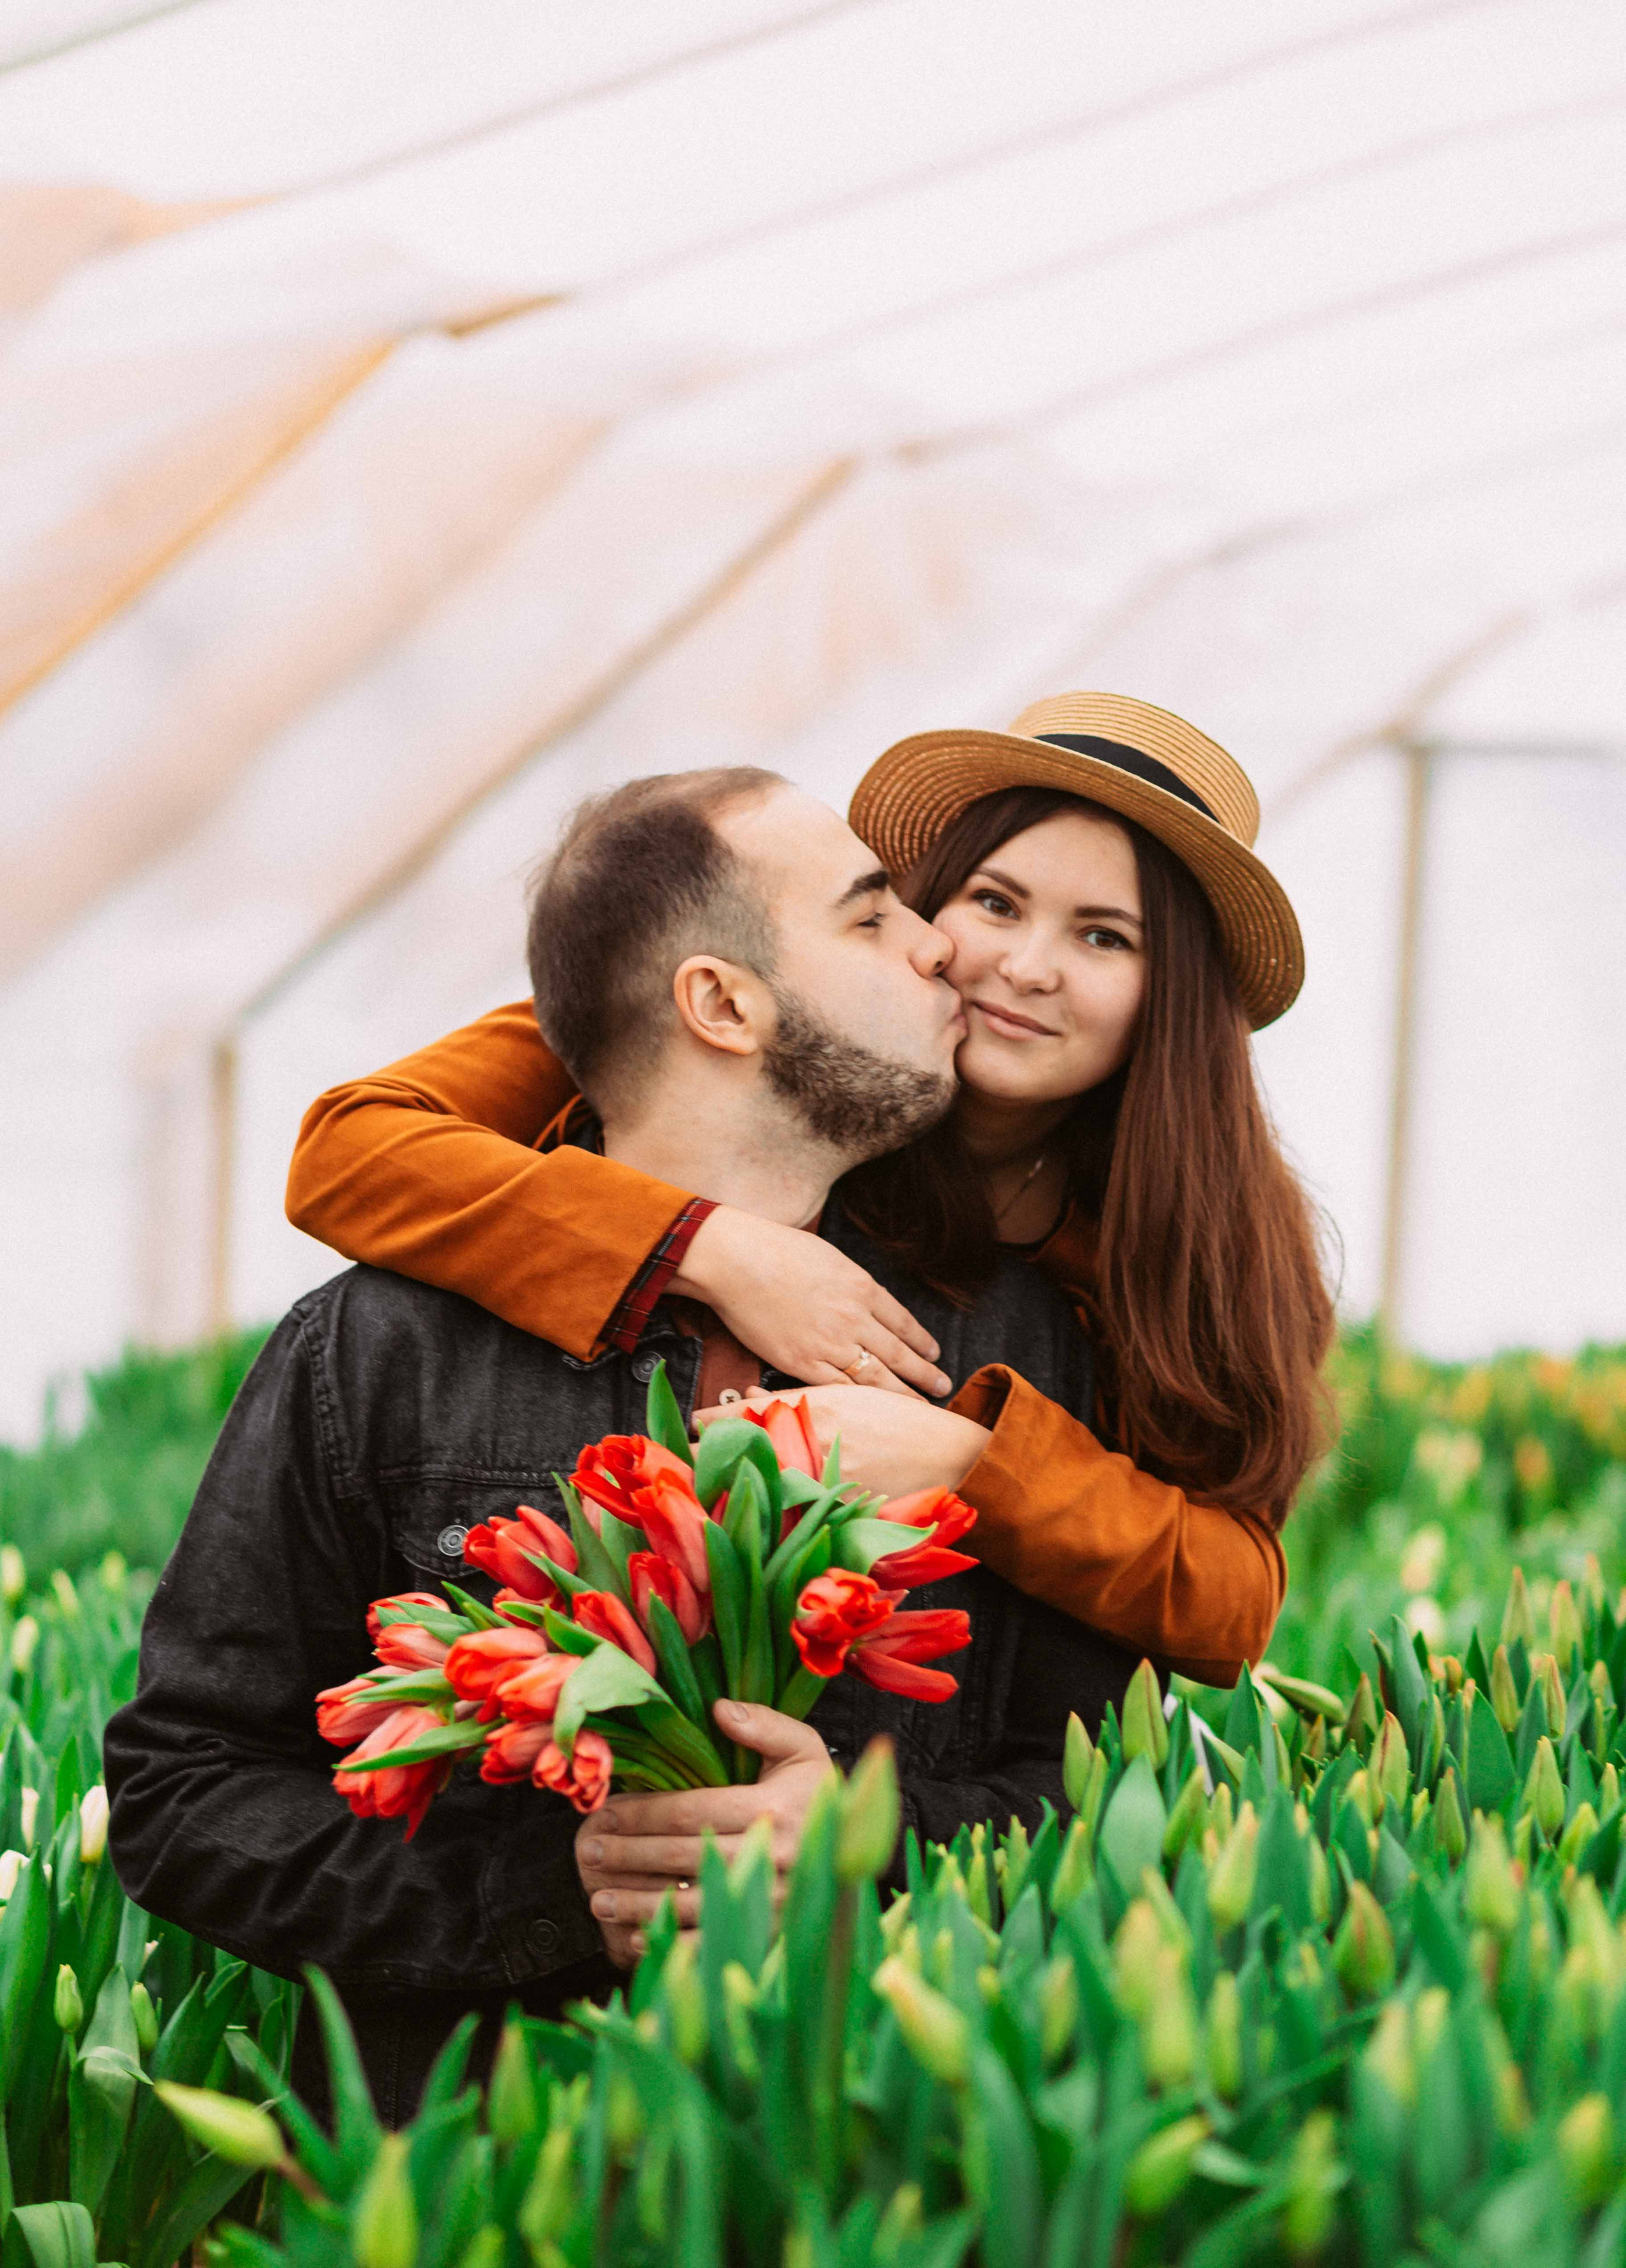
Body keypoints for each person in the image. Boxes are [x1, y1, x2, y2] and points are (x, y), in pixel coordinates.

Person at [105, 767, 1147, 2124]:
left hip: (853, 2174)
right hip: (454, 2178)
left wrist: (860, 1841)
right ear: (721, 1003)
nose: (940, 943)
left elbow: (1104, 1794)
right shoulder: (378, 1351)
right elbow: (186, 1792)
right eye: (869, 915)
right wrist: (547, 1896)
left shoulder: (1010, 1360)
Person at [286, 694, 1333, 1695]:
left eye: (1105, 936)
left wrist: (968, 1460)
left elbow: (1230, 1596)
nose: (1025, 967)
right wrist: (716, 1249)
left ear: (1174, 998)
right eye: (996, 903)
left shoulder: (1193, 1237)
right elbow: (354, 1149)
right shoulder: (739, 1027)